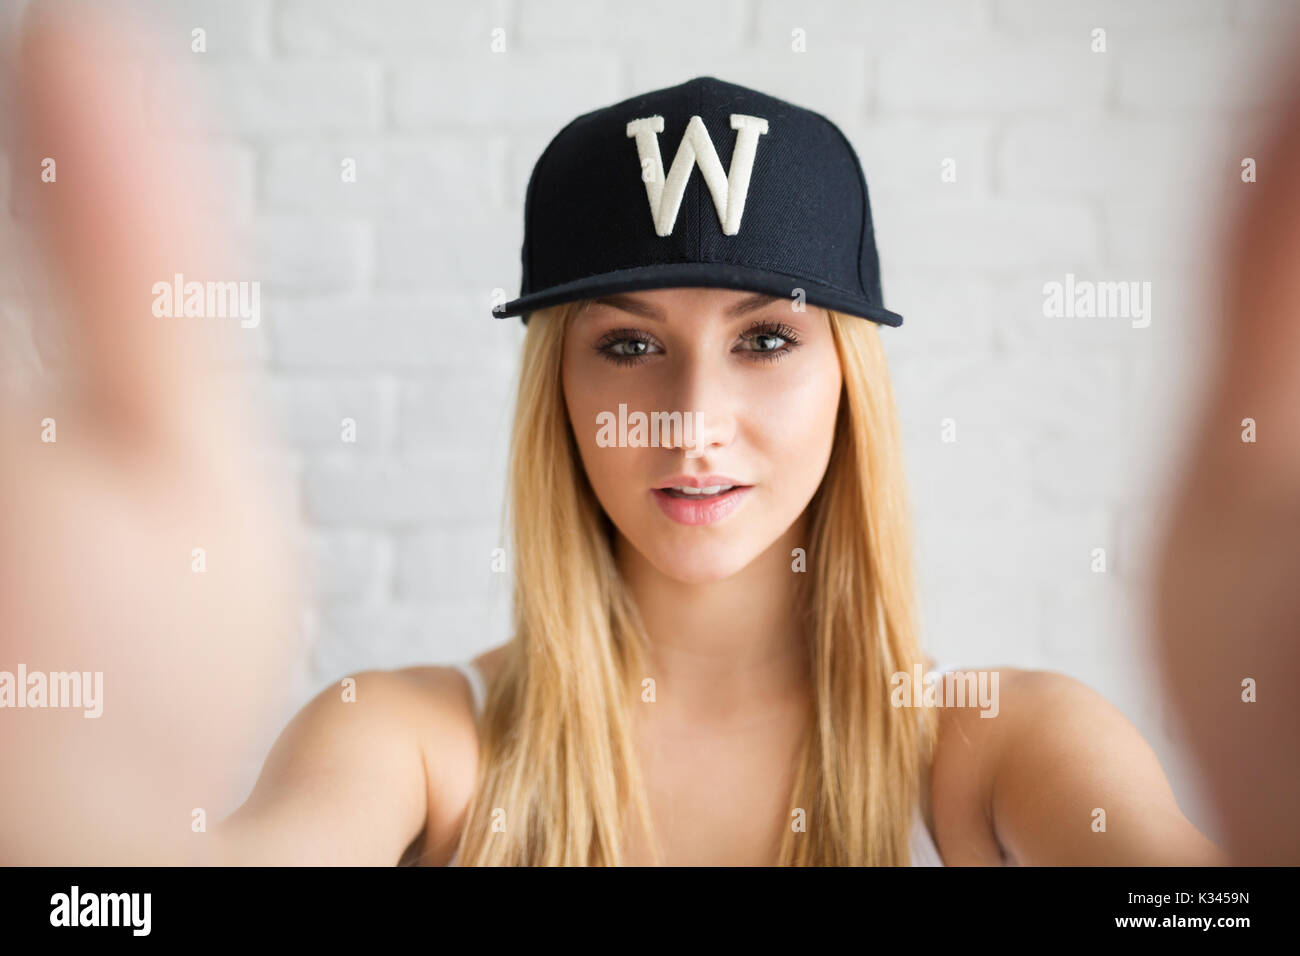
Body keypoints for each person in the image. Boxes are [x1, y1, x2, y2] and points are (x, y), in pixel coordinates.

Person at [0, 5, 1291, 867]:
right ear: (553, 391)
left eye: (768, 339)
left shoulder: (1005, 740)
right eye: (626, 344)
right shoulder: (411, 740)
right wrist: (75, 845)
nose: (691, 417)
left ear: (854, 384)